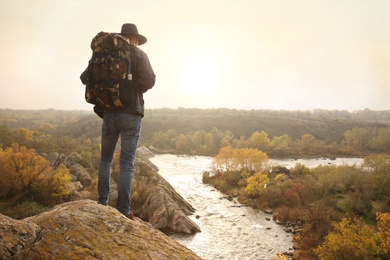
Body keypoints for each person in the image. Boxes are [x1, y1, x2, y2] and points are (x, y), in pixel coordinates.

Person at [96, 23, 156, 220]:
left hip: (109, 113)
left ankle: (102, 202)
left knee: (105, 159)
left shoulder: (104, 53)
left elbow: (84, 77)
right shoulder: (138, 54)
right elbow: (149, 81)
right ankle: (123, 210)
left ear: (121, 36)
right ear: (136, 39)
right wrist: (131, 89)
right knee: (126, 164)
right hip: (131, 114)